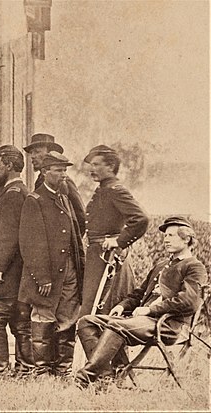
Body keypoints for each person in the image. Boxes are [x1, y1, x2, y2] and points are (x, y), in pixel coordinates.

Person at [75, 216, 206, 387]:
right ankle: (106, 378)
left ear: (187, 239)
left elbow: (189, 302)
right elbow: (139, 294)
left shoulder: (194, 267)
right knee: (86, 322)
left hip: (167, 325)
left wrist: (150, 310)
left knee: (116, 326)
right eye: (165, 236)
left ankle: (85, 378)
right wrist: (122, 306)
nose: (165, 239)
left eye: (171, 235)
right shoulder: (161, 265)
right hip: (141, 321)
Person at [18, 152, 85, 376]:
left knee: (67, 318)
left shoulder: (65, 199)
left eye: (65, 170)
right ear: (45, 173)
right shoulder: (34, 200)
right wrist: (42, 277)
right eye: (58, 170)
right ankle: (42, 370)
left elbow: (76, 234)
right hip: (46, 274)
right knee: (43, 318)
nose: (64, 174)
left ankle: (63, 369)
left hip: (69, 270)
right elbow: (30, 243)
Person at [0, 145, 33, 376]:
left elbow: (7, 235)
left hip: (7, 270)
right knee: (20, 322)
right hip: (19, 270)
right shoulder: (18, 191)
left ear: (9, 165)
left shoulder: (12, 194)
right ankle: (25, 368)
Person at [81, 145, 149, 317]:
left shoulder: (115, 190)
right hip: (97, 257)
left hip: (108, 258)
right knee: (93, 311)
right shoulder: (104, 190)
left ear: (110, 167)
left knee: (102, 310)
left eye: (96, 165)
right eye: (91, 165)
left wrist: (118, 242)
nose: (91, 169)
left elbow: (141, 218)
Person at [24, 133, 86, 234]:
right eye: (31, 153)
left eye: (37, 152)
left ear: (51, 154)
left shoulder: (63, 181)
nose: (32, 156)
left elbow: (80, 216)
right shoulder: (40, 180)